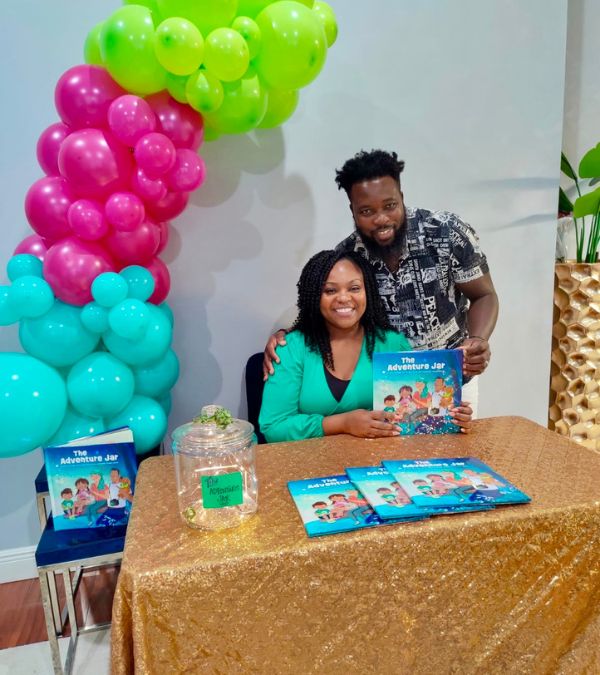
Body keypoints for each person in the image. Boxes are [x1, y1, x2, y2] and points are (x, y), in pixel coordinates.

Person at [263, 149, 499, 412]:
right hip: (388, 388)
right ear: (352, 210)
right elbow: (330, 312)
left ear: (402, 197)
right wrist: (285, 338)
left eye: (390, 206)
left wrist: (478, 340)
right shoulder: (348, 258)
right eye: (366, 211)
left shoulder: (445, 232)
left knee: (453, 451)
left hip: (452, 377)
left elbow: (484, 295)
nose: (381, 219)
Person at [258, 249, 472, 442]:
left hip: (377, 465)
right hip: (308, 468)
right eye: (330, 291)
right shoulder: (291, 347)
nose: (344, 298)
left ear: (367, 292)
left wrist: (449, 415)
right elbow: (274, 427)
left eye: (354, 288)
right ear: (313, 297)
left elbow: (414, 415)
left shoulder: (392, 343)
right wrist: (343, 424)